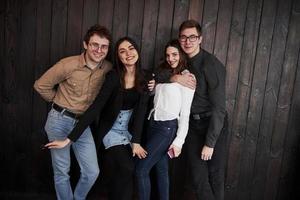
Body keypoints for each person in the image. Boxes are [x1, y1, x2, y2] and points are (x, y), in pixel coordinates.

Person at [45, 37, 155, 200]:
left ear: (137, 50)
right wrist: (69, 139)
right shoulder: (113, 77)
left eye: (131, 48)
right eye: (122, 51)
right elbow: (95, 108)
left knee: (128, 170)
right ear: (118, 57)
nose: (128, 54)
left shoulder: (146, 76)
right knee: (126, 167)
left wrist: (136, 142)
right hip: (111, 130)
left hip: (130, 130)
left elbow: (140, 112)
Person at [34, 24, 112, 200]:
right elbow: (40, 85)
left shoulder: (107, 67)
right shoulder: (68, 65)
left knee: (92, 171)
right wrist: (59, 101)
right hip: (58, 121)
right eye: (94, 44)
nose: (99, 50)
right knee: (62, 171)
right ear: (85, 44)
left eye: (104, 46)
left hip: (83, 125)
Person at [172, 19, 228, 200]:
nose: (187, 42)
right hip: (192, 126)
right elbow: (159, 72)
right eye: (183, 37)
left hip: (213, 123)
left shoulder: (211, 64)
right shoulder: (179, 59)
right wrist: (174, 78)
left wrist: (210, 143)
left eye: (192, 37)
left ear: (200, 39)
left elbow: (219, 107)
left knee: (215, 175)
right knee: (198, 177)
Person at [135, 39, 195, 200]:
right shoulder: (163, 75)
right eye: (168, 55)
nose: (171, 58)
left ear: (181, 55)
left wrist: (179, 141)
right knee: (161, 170)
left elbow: (185, 113)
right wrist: (154, 86)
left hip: (167, 128)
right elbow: (155, 95)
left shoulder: (187, 78)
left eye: (175, 54)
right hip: (152, 124)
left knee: (141, 170)